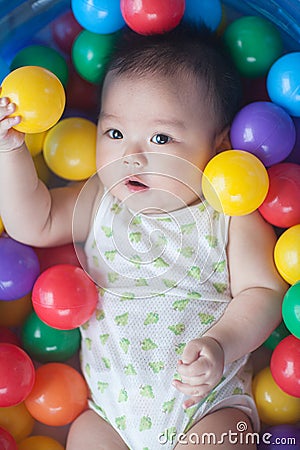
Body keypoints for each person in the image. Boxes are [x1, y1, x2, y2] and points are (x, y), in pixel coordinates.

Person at [0, 25, 287, 450]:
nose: (131, 154)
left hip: (210, 409)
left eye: (161, 138)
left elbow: (264, 292)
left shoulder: (226, 213)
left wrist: (220, 345)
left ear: (218, 145)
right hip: (110, 418)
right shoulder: (100, 201)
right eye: (114, 133)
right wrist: (11, 151)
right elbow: (33, 221)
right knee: (83, 436)